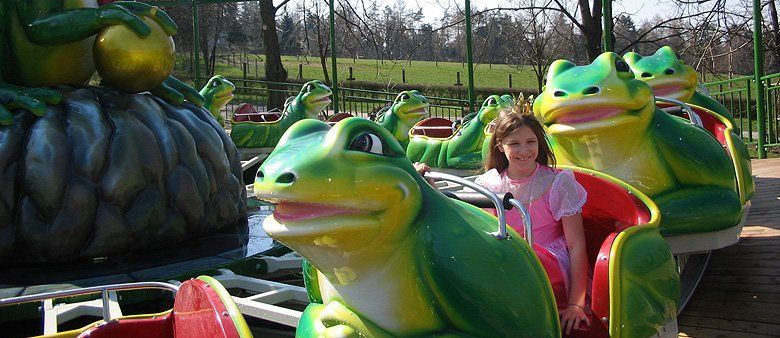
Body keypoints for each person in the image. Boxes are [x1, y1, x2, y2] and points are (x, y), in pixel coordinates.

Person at [414, 102, 590, 335]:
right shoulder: (490, 184)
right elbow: (467, 219)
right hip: (505, 257)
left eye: (530, 142)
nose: (524, 150)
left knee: (521, 260)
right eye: (514, 144)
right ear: (500, 146)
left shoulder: (558, 184)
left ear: (539, 142)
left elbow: (576, 245)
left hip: (544, 261)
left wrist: (576, 304)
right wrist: (428, 185)